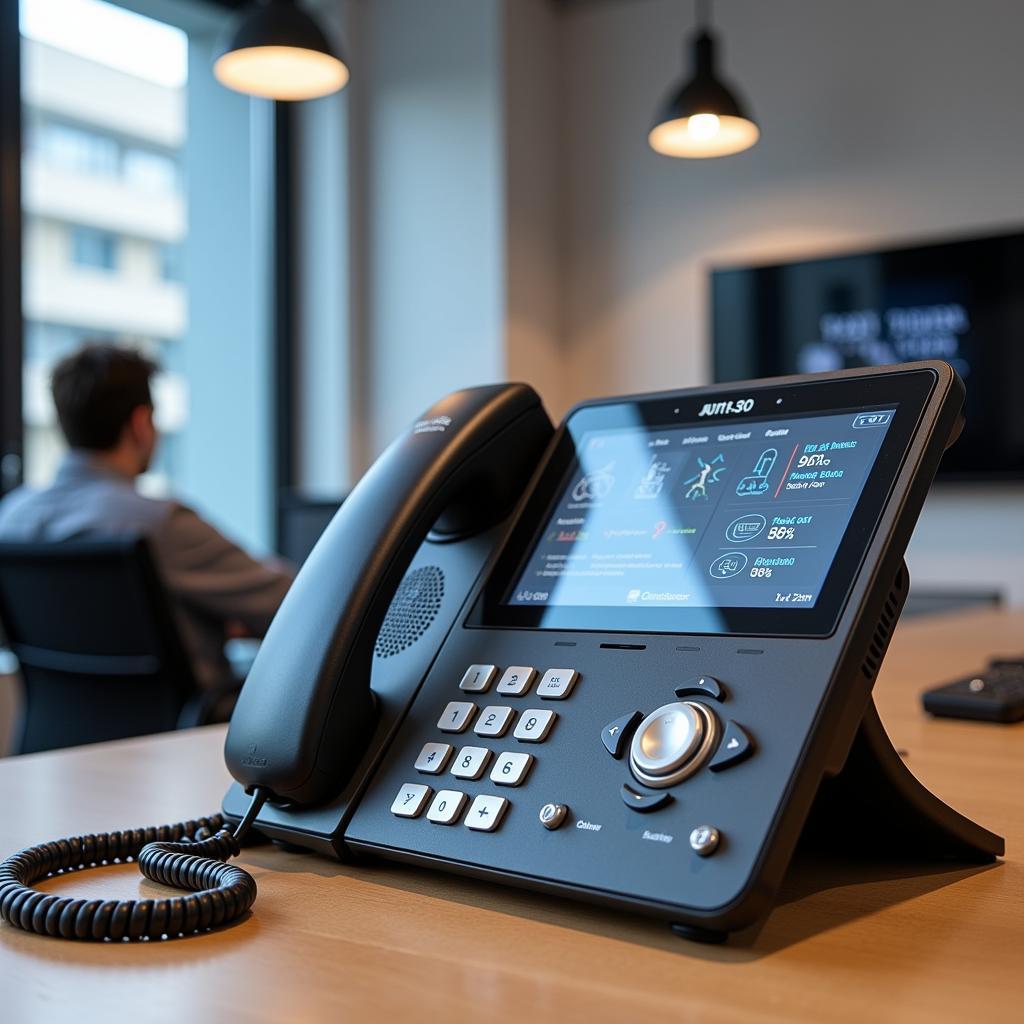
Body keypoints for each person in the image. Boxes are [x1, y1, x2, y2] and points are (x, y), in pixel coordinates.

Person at [0, 343, 293, 689]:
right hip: (179, 738)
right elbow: (303, 608)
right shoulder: (160, 524)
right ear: (140, 424)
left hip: (64, 737)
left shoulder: (12, 518)